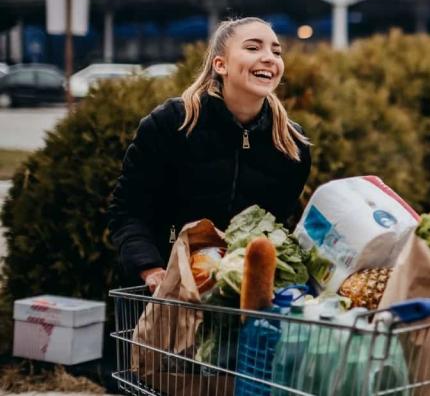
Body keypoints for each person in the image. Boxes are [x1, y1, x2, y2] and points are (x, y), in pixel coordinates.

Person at [108, 17, 312, 292]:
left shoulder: (291, 143)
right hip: (169, 291)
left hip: (240, 298)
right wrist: (150, 269)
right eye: (253, 48)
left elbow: (279, 227)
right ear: (221, 64)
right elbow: (128, 211)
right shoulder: (171, 124)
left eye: (276, 52)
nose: (269, 58)